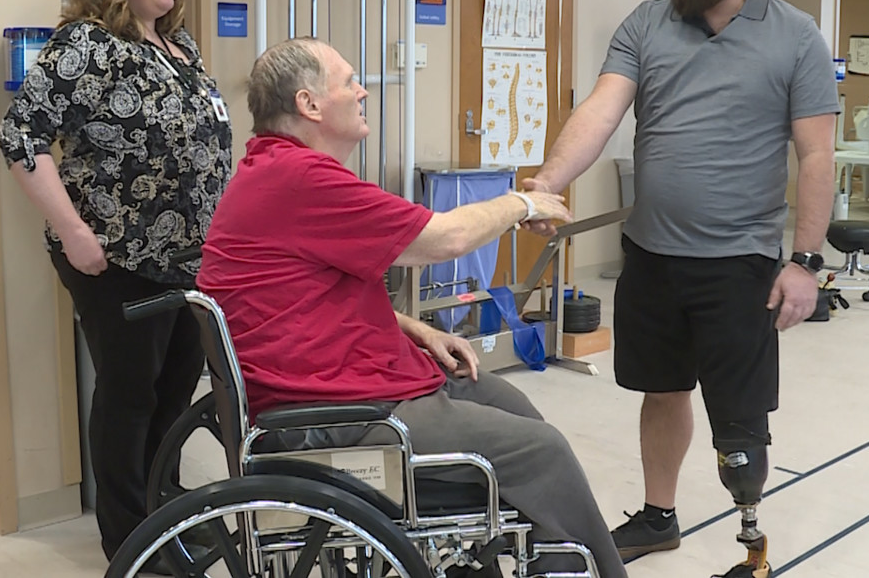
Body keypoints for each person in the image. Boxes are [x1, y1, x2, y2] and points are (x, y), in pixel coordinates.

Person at [196, 37, 629, 578]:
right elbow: (443, 239)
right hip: (331, 416)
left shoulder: (276, 170)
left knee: (512, 405)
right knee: (541, 452)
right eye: (349, 82)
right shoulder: (301, 179)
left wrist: (412, 327)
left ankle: (523, 562)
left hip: (347, 379)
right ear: (309, 104)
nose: (363, 92)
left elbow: (301, 290)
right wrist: (521, 203)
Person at [522, 0, 838, 578]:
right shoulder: (647, 23)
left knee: (739, 419)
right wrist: (547, 181)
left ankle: (751, 540)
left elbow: (817, 156)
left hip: (740, 264)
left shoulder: (795, 36)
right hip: (653, 256)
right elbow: (601, 111)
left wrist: (806, 262)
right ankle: (658, 516)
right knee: (661, 390)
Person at [0, 0, 233, 572]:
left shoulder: (178, 46)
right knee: (131, 396)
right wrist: (75, 233)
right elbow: (21, 137)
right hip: (116, 256)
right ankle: (132, 541)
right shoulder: (87, 44)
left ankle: (164, 510)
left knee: (175, 392)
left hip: (187, 258)